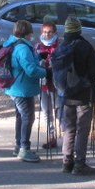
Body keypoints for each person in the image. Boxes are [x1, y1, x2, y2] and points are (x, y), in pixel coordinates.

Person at [52, 16, 95, 176]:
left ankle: (67, 162)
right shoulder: (85, 46)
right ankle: (80, 164)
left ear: (66, 29)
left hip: (65, 95)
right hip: (83, 94)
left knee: (69, 129)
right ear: (79, 29)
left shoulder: (60, 47)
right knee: (82, 129)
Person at [2, 19, 47, 163]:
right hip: (22, 89)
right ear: (27, 33)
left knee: (21, 117)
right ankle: (24, 148)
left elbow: (26, 62)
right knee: (28, 117)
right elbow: (31, 70)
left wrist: (40, 56)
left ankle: (19, 145)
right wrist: (46, 72)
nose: (32, 36)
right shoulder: (22, 48)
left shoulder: (14, 43)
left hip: (15, 87)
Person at [34, 16, 60, 150]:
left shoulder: (59, 46)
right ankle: (51, 137)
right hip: (42, 83)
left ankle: (67, 136)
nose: (47, 34)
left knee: (59, 110)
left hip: (56, 83)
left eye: (49, 32)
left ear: (54, 33)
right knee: (46, 112)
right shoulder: (38, 46)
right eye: (44, 32)